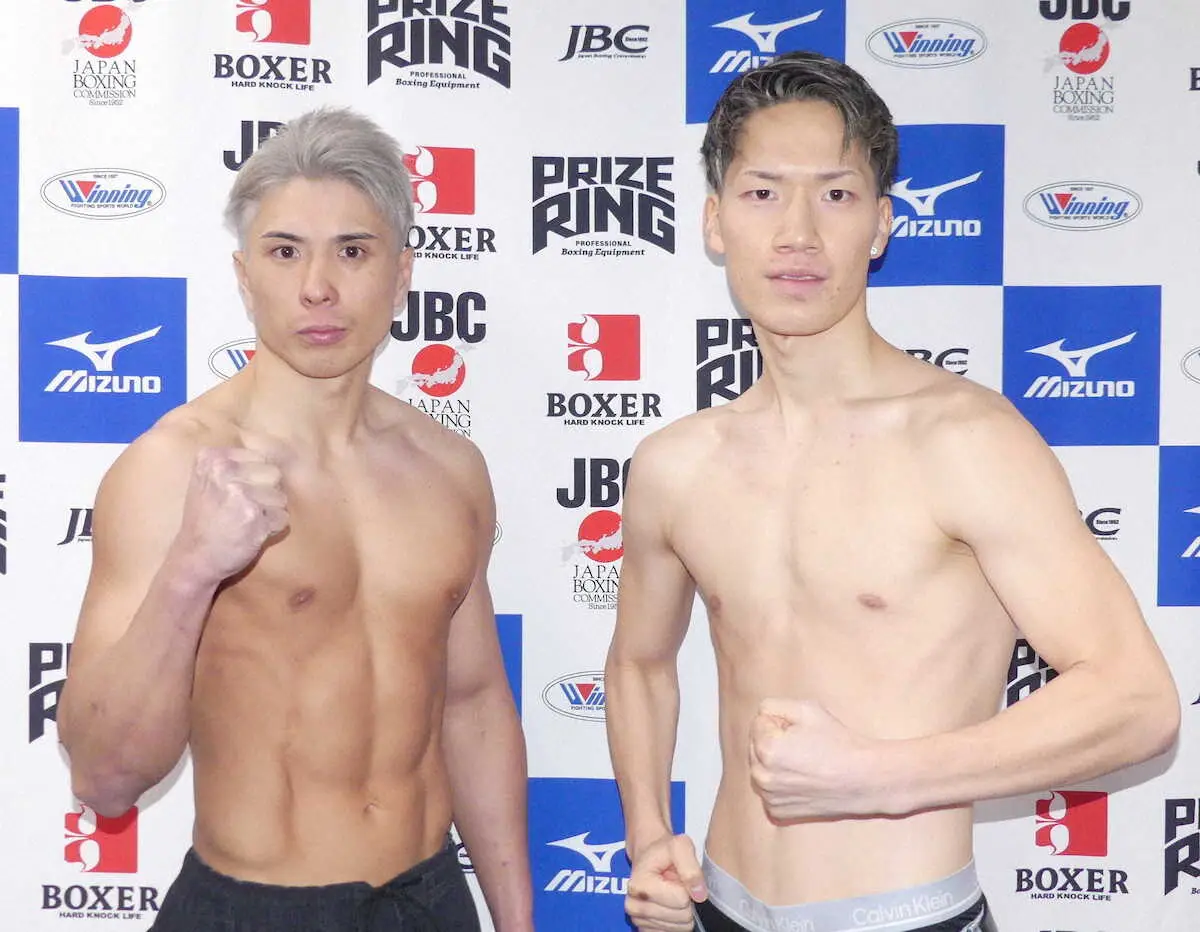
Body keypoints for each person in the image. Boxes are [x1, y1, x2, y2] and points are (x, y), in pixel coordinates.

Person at [604, 52, 1179, 932]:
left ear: (880, 225)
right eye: (762, 193)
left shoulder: (964, 440)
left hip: (907, 916)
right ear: (716, 220)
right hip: (720, 906)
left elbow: (1137, 701)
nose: (798, 232)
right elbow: (640, 664)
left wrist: (878, 775)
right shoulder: (674, 464)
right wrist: (649, 834)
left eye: (835, 195)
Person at [56, 108, 532, 932]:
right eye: (284, 252)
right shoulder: (173, 469)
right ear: (245, 277)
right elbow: (104, 779)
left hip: (427, 901)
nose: (318, 287)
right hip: (254, 908)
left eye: (352, 251)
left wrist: (516, 922)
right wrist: (191, 568)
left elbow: (474, 705)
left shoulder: (450, 467)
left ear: (402, 274)